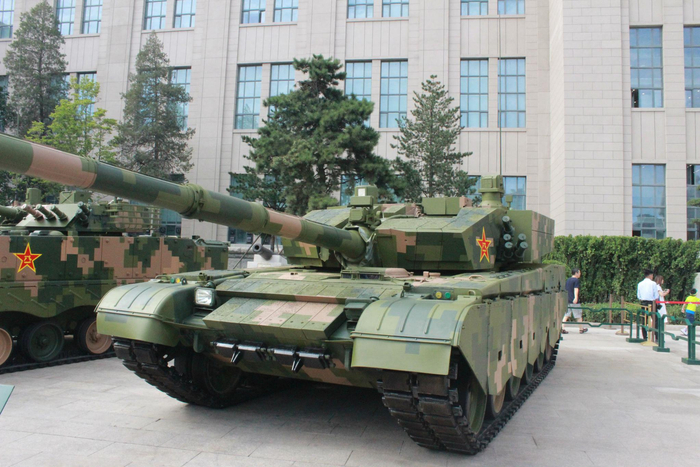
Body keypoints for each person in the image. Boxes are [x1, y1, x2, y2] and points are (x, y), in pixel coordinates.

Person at [562, 268, 587, 334]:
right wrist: (576, 298)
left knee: (566, 315)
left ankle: (562, 328)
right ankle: (581, 329)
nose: (580, 274)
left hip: (567, 300)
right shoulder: (576, 280)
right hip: (574, 301)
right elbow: (576, 289)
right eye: (579, 273)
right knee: (578, 315)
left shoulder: (568, 280)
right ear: (576, 273)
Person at [637, 269, 658, 340]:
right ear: (650, 275)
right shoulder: (653, 283)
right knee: (655, 320)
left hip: (643, 303)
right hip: (651, 303)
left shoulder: (640, 284)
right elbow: (656, 296)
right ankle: (656, 337)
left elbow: (639, 296)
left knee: (644, 320)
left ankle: (644, 337)